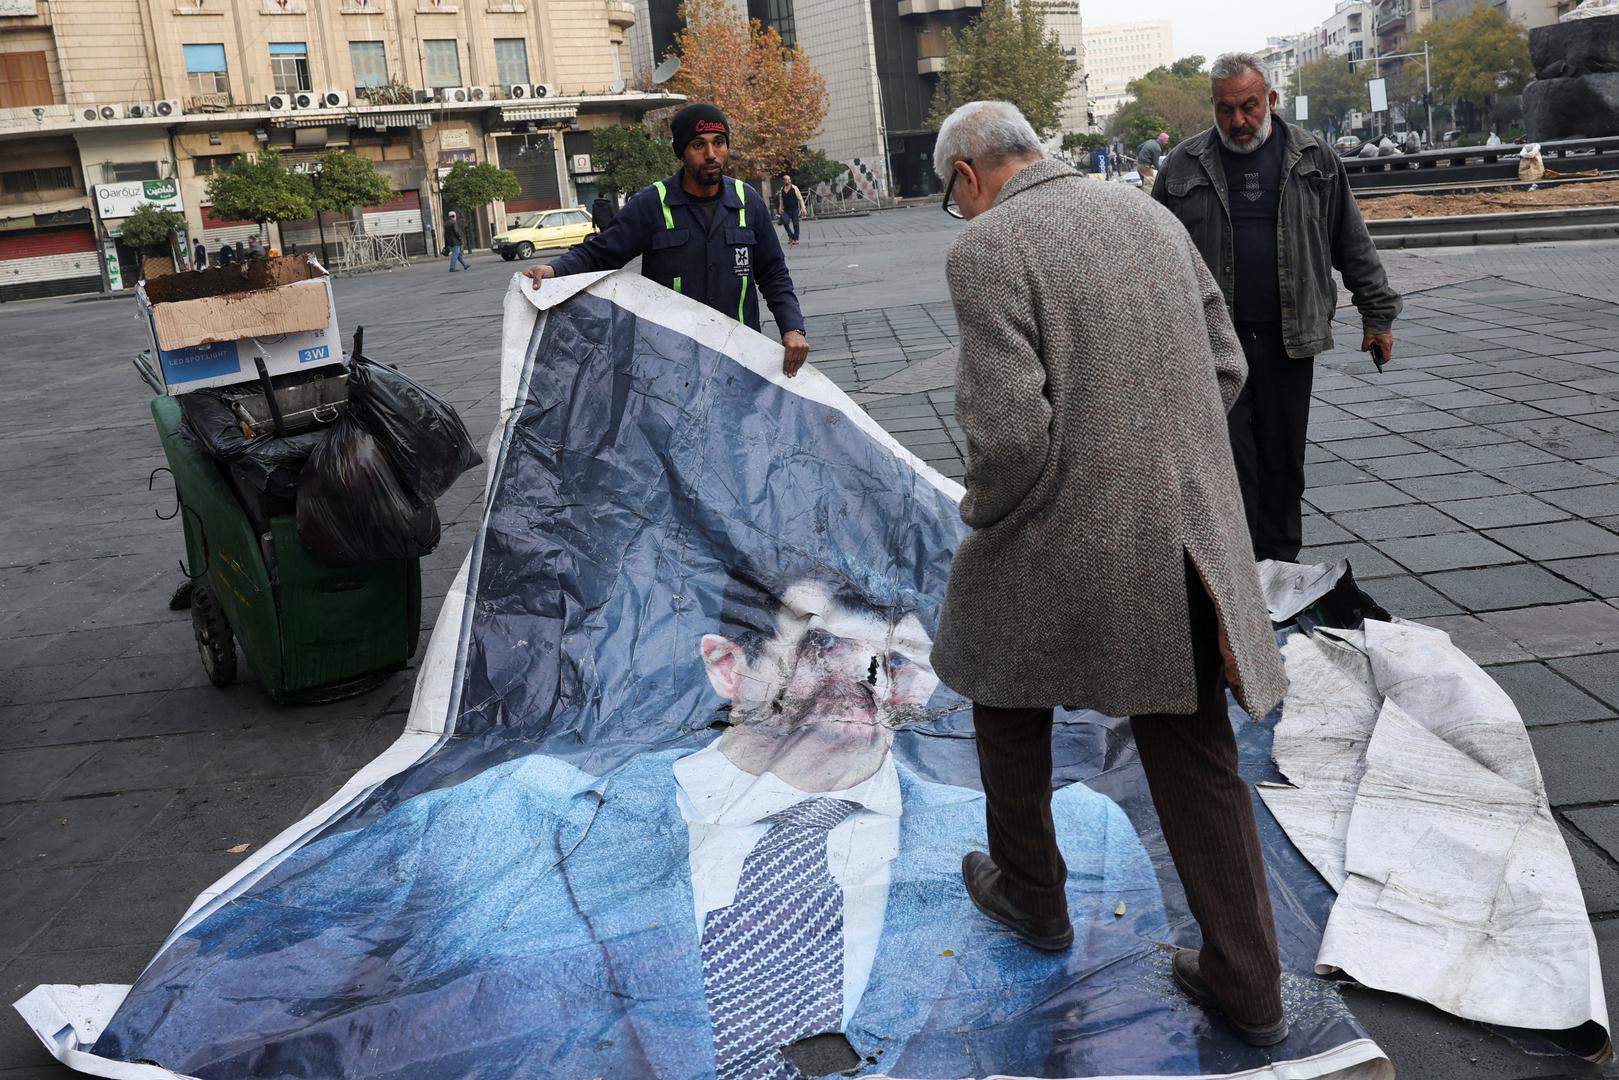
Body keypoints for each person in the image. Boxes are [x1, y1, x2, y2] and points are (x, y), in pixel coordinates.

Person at [90, 571, 1196, 1079]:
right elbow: (269, 975)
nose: (859, 680)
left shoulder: (1070, 842)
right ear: (728, 664)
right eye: (819, 646)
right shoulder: (510, 814)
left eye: (893, 660)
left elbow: (1133, 1054)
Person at [929, 100, 1291, 1047]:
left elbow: (1009, 438)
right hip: (1183, 534)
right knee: (1193, 744)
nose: (957, 215)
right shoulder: (1149, 213)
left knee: (997, 683)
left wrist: (990, 510)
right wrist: (1151, 445)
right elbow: (1223, 365)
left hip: (1066, 530)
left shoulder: (988, 248)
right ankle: (1248, 983)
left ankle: (1035, 893)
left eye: (950, 199)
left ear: (967, 175)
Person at [1153, 53, 1402, 563]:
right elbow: (1150, 254)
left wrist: (1377, 316)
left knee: (1284, 462)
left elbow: (1350, 240)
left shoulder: (1314, 158)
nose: (1237, 121)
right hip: (1213, 344)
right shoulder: (1181, 164)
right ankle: (1239, 574)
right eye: (1225, 109)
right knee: (1230, 465)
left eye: (1248, 106)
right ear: (1213, 107)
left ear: (1270, 100)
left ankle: (1281, 566)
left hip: (1291, 340)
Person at [523, 103, 810, 377]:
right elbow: (600, 253)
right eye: (699, 145)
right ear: (681, 152)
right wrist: (554, 270)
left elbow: (773, 273)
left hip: (740, 357)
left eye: (719, 142)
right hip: (670, 363)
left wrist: (792, 327)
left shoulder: (748, 201)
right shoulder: (651, 204)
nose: (711, 153)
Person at [776, 170, 805, 245]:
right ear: (784, 181)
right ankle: (791, 236)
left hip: (794, 209)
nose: (788, 181)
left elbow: (800, 198)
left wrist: (803, 208)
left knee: (795, 224)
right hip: (786, 210)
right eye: (787, 179)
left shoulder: (795, 188)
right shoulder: (782, 190)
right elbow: (781, 199)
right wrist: (780, 208)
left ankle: (796, 239)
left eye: (789, 179)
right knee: (785, 222)